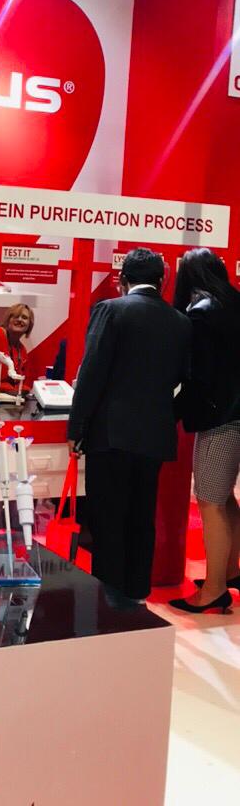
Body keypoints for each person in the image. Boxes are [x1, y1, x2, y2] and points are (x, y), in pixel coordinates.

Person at [66, 248, 191, 601]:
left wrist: (76, 428)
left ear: (122, 279)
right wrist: (165, 414)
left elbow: (92, 374)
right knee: (141, 516)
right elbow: (187, 381)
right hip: (154, 435)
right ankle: (136, 594)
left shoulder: (111, 310)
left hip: (110, 432)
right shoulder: (180, 321)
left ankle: (109, 599)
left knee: (108, 517)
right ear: (162, 281)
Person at [169, 249, 240, 615]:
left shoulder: (201, 313)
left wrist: (173, 411)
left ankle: (213, 590)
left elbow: (199, 376)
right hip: (234, 412)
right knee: (225, 498)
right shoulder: (234, 303)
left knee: (210, 500)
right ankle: (229, 572)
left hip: (219, 417)